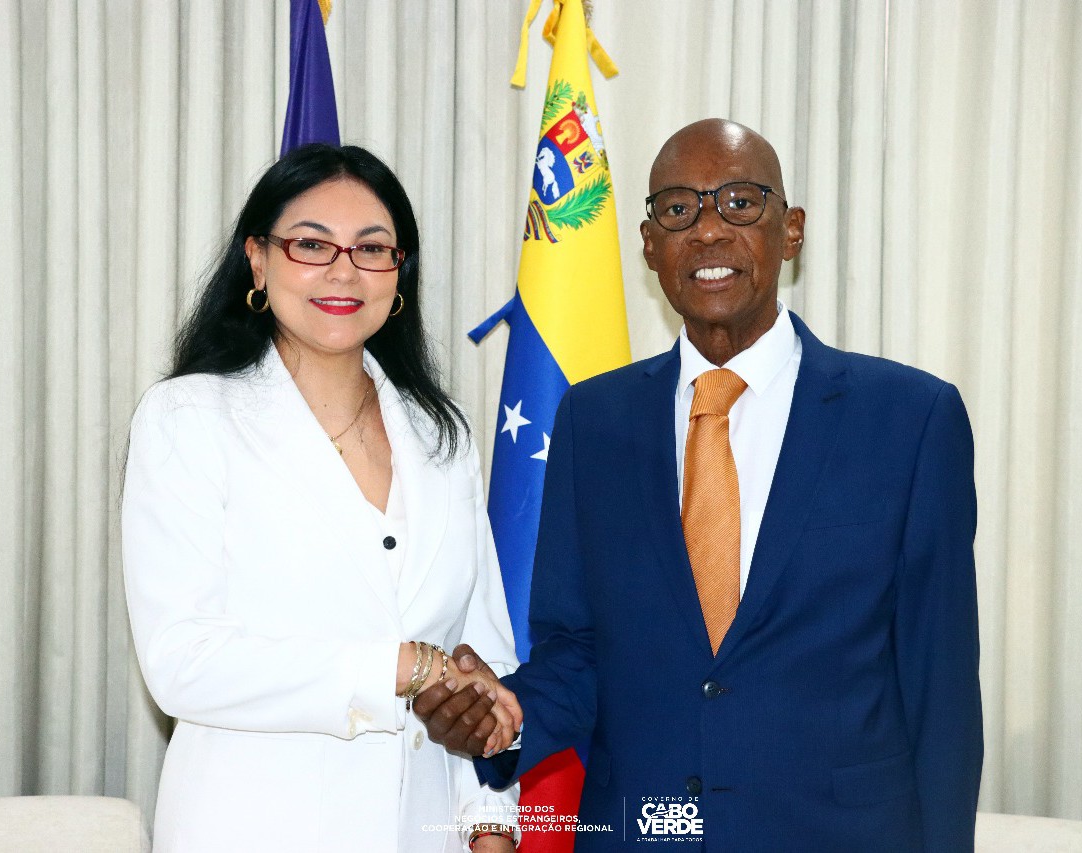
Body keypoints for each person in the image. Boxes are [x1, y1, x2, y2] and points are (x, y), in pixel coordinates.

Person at [415, 119, 983, 851]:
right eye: (679, 209)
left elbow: (941, 689)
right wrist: (507, 716)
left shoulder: (909, 419)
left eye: (740, 202)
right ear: (650, 246)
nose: (709, 230)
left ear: (791, 230)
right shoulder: (593, 420)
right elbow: (576, 649)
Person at [122, 143, 523, 853]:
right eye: (311, 244)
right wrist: (396, 668)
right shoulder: (188, 417)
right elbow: (182, 661)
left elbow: (481, 659)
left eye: (372, 249)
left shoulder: (443, 434)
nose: (343, 270)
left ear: (400, 274)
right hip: (252, 829)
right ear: (258, 260)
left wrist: (489, 820)